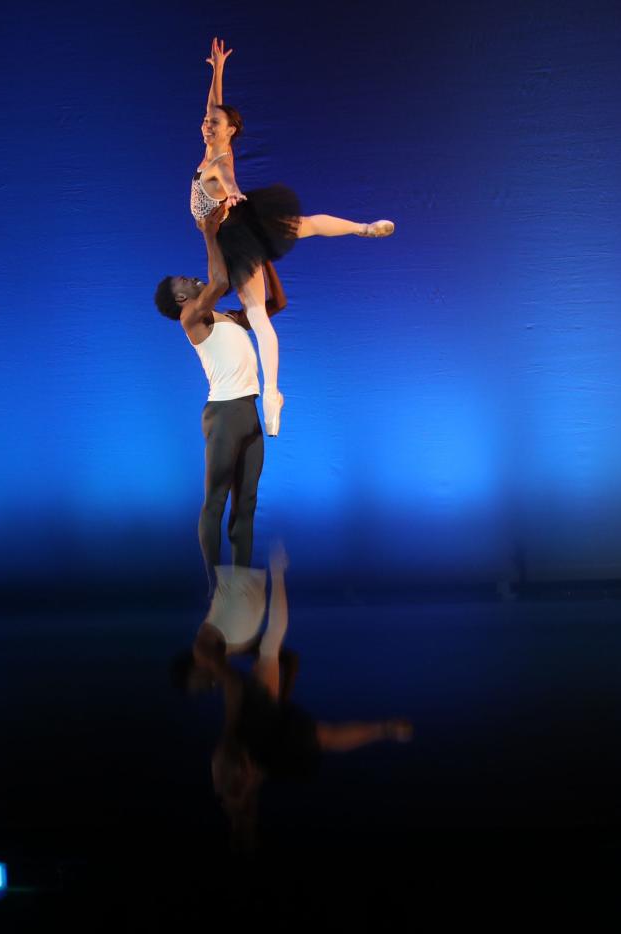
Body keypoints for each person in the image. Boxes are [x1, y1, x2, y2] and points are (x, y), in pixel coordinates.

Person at [192, 37, 396, 436]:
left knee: (257, 309)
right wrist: (217, 71)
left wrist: (232, 190)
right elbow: (213, 106)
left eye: (214, 123)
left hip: (235, 230)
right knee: (303, 229)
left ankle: (272, 394)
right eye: (205, 121)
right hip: (238, 228)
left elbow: (227, 177)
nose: (206, 125)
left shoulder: (219, 160)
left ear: (230, 130)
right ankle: (272, 394)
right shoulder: (214, 142)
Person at [172, 544, 413, 854]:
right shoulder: (239, 747)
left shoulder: (235, 758)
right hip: (262, 733)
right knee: (313, 724)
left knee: (317, 729)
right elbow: (259, 667)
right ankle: (384, 729)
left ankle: (384, 729)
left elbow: (273, 662)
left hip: (260, 733)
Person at [153, 206, 285, 595]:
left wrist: (264, 258)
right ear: (181, 296)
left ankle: (239, 585)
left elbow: (274, 306)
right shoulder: (192, 317)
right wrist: (209, 232)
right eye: (187, 280)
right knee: (214, 503)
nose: (195, 280)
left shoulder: (224, 316)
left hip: (248, 414)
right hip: (224, 415)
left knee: (245, 505)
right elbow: (219, 277)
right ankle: (215, 586)